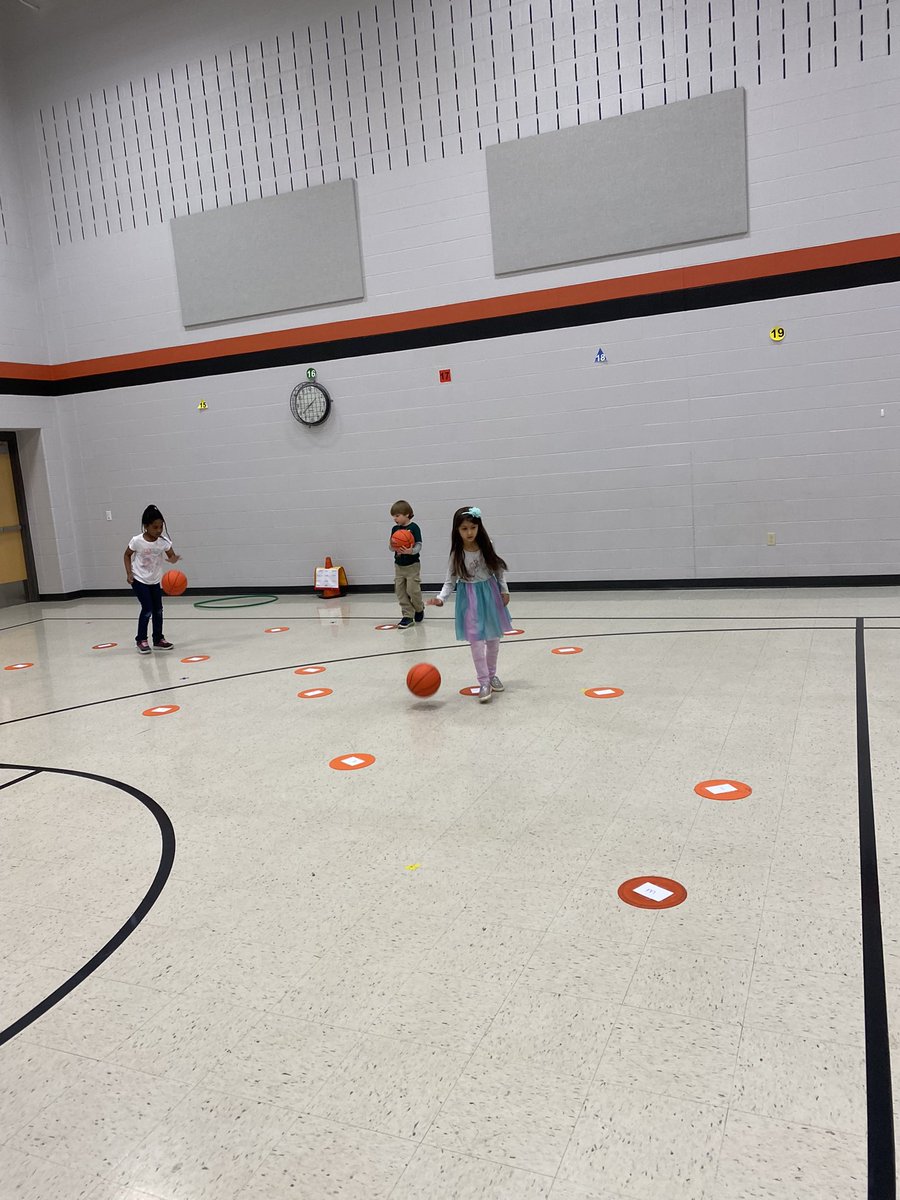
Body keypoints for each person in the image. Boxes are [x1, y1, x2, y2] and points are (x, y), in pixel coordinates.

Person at [427, 505, 511, 702]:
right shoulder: (457, 554)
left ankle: (492, 675)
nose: (469, 532)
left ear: (479, 527)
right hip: (469, 598)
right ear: (457, 531)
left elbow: (497, 570)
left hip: (489, 594)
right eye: (464, 529)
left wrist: (504, 590)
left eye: (472, 527)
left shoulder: (487, 544)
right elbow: (450, 581)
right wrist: (441, 598)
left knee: (493, 640)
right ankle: (483, 681)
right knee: (476, 641)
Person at [124, 504, 181, 653]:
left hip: (155, 580)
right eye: (155, 527)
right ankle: (141, 640)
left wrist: (174, 559)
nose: (159, 530)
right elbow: (127, 555)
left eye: (161, 527)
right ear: (146, 526)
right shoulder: (137, 541)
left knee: (159, 610)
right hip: (139, 579)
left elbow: (171, 556)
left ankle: (158, 639)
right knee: (147, 609)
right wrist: (129, 573)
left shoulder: (163, 542)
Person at [390, 500, 424, 628]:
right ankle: (407, 615)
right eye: (393, 516)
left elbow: (419, 545)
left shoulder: (414, 528)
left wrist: (411, 551)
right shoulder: (394, 529)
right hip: (399, 566)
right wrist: (394, 548)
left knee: (412, 590)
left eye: (397, 515)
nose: (395, 518)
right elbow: (390, 546)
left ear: (407, 514)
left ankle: (419, 608)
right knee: (400, 591)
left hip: (412, 565)